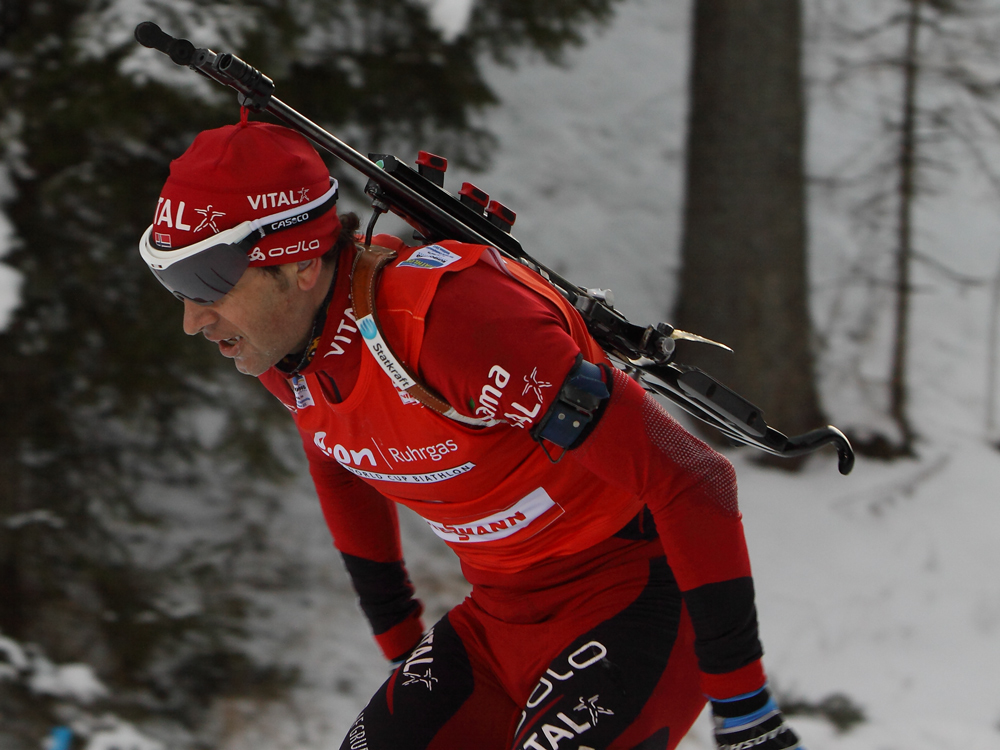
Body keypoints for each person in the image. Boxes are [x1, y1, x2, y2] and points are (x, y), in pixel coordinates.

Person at [139, 117, 805, 750]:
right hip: (497, 620)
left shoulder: (455, 325)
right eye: (172, 282)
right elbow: (340, 449)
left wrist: (744, 708)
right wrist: (404, 649)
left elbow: (695, 476)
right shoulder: (284, 348)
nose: (193, 320)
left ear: (300, 264)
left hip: (635, 599)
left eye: (207, 282)